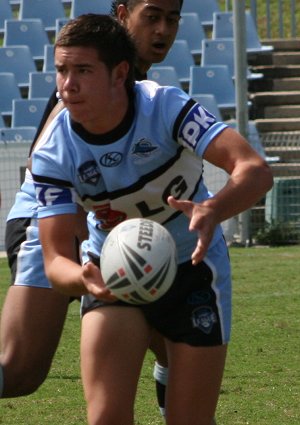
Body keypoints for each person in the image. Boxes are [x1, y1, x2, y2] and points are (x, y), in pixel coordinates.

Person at [31, 14, 273, 425]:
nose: (67, 85)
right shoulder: (52, 153)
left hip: (193, 270)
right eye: (61, 70)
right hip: (114, 277)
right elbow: (55, 262)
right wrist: (84, 278)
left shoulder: (166, 107)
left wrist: (213, 209)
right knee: (105, 418)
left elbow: (254, 169)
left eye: (83, 71)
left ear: (119, 73)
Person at [0, 0, 182, 408]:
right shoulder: (95, 78)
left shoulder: (134, 86)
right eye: (151, 17)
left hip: (100, 230)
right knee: (18, 370)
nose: (162, 30)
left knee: (178, 344)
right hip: (50, 221)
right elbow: (41, 159)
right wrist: (82, 215)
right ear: (122, 14)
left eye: (172, 19)